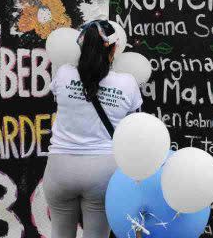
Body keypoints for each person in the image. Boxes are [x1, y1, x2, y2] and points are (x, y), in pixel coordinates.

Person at [43, 20, 143, 238]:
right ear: (115, 48)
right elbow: (133, 127)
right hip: (103, 171)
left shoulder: (63, 74)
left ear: (80, 45)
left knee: (59, 233)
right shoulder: (127, 83)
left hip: (60, 168)